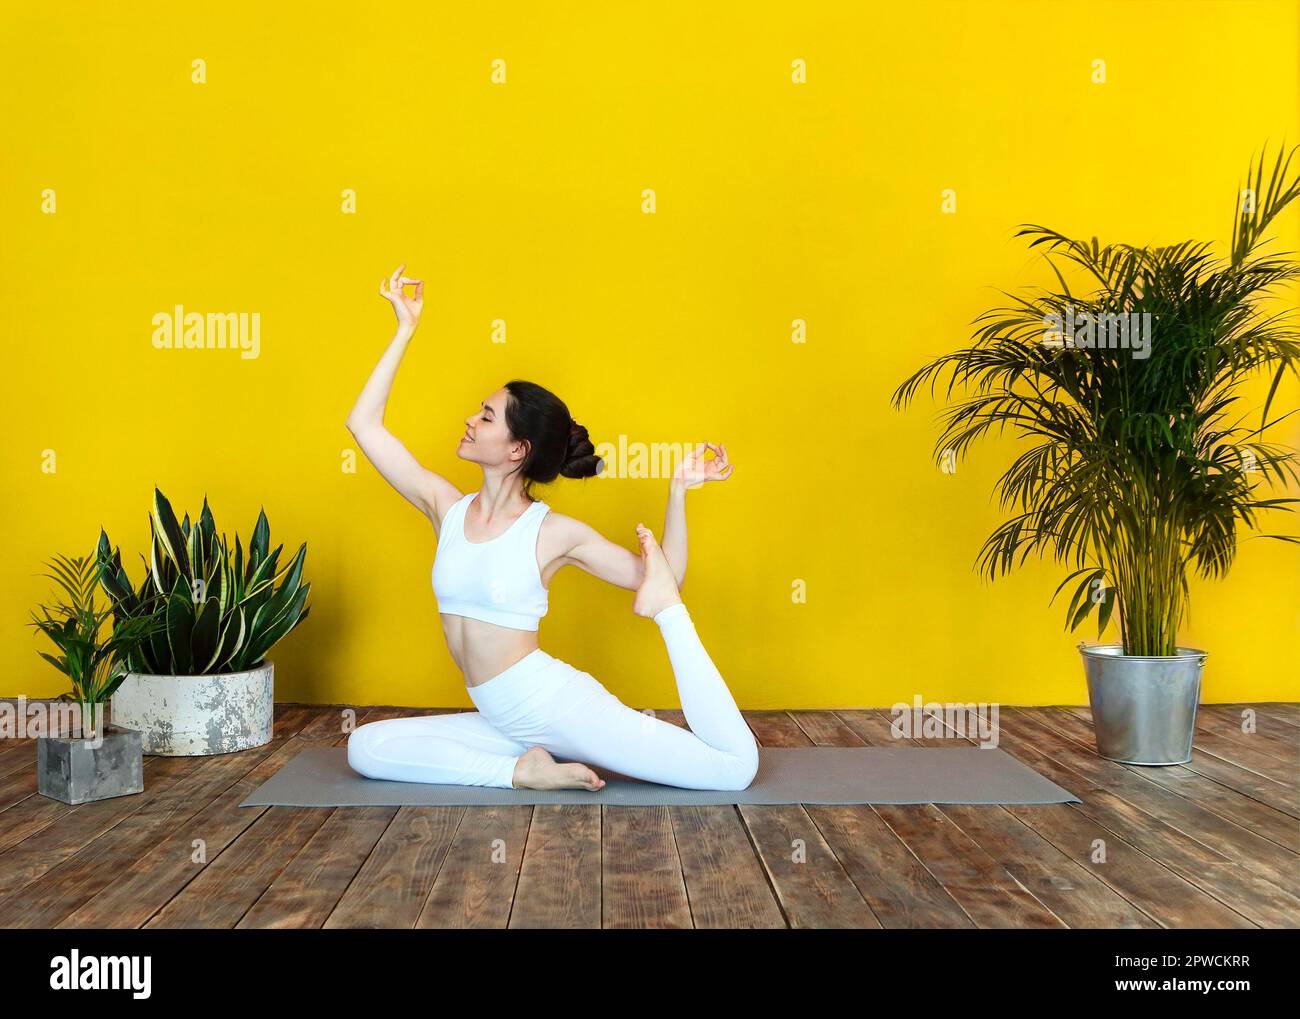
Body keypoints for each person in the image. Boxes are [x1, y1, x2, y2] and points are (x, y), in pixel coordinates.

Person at [344, 265, 758, 791]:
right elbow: (364, 425)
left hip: (555, 707)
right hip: (500, 718)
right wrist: (404, 330)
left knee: (733, 770)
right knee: (367, 747)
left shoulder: (552, 533)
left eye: (487, 416)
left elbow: (663, 573)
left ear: (518, 450)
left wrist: (677, 491)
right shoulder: (445, 506)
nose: (471, 420)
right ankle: (523, 771)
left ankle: (669, 622)